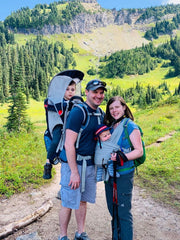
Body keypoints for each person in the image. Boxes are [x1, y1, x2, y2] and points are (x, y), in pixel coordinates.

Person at [58, 79, 107, 240]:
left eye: (101, 93)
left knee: (83, 200)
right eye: (95, 92)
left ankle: (80, 232)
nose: (99, 96)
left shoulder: (101, 113)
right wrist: (73, 172)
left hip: (90, 165)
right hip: (74, 164)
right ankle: (63, 236)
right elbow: (69, 143)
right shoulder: (78, 111)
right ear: (86, 92)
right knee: (68, 201)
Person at [103, 96, 143, 240]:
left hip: (124, 175)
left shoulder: (130, 126)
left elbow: (139, 151)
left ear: (124, 107)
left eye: (117, 107)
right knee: (113, 210)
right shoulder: (109, 127)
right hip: (109, 175)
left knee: (123, 212)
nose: (114, 111)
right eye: (111, 108)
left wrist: (123, 157)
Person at [43, 80, 76, 179]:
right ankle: (48, 162)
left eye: (72, 89)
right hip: (58, 125)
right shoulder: (56, 100)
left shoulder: (73, 101)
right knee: (56, 139)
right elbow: (51, 105)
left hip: (69, 127)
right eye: (67, 89)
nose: (70, 92)